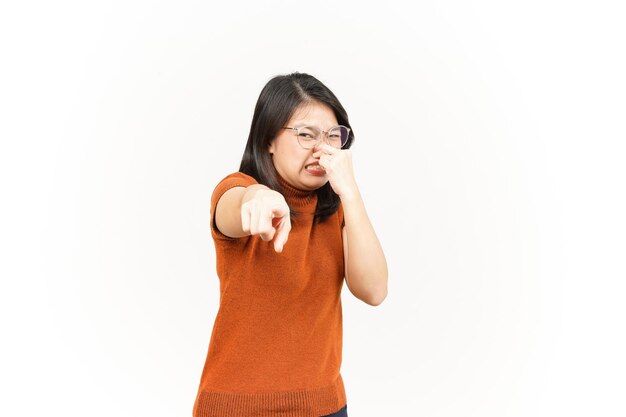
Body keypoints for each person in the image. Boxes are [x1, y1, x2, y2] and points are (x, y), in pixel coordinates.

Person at [192, 72, 388, 417]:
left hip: (324, 407)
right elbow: (234, 206)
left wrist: (351, 193)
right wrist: (258, 196)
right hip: (239, 410)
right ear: (268, 139)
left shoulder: (339, 210)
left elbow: (374, 290)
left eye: (332, 137)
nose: (321, 149)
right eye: (305, 135)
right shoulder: (239, 190)